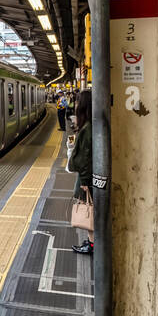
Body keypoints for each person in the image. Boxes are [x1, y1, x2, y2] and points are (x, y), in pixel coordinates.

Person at [68, 90, 93, 254]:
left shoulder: (87, 128)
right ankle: (92, 242)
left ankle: (92, 245)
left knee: (90, 211)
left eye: (77, 102)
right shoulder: (90, 125)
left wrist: (84, 182)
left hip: (87, 179)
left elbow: (85, 157)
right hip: (88, 177)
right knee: (91, 210)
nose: (75, 105)